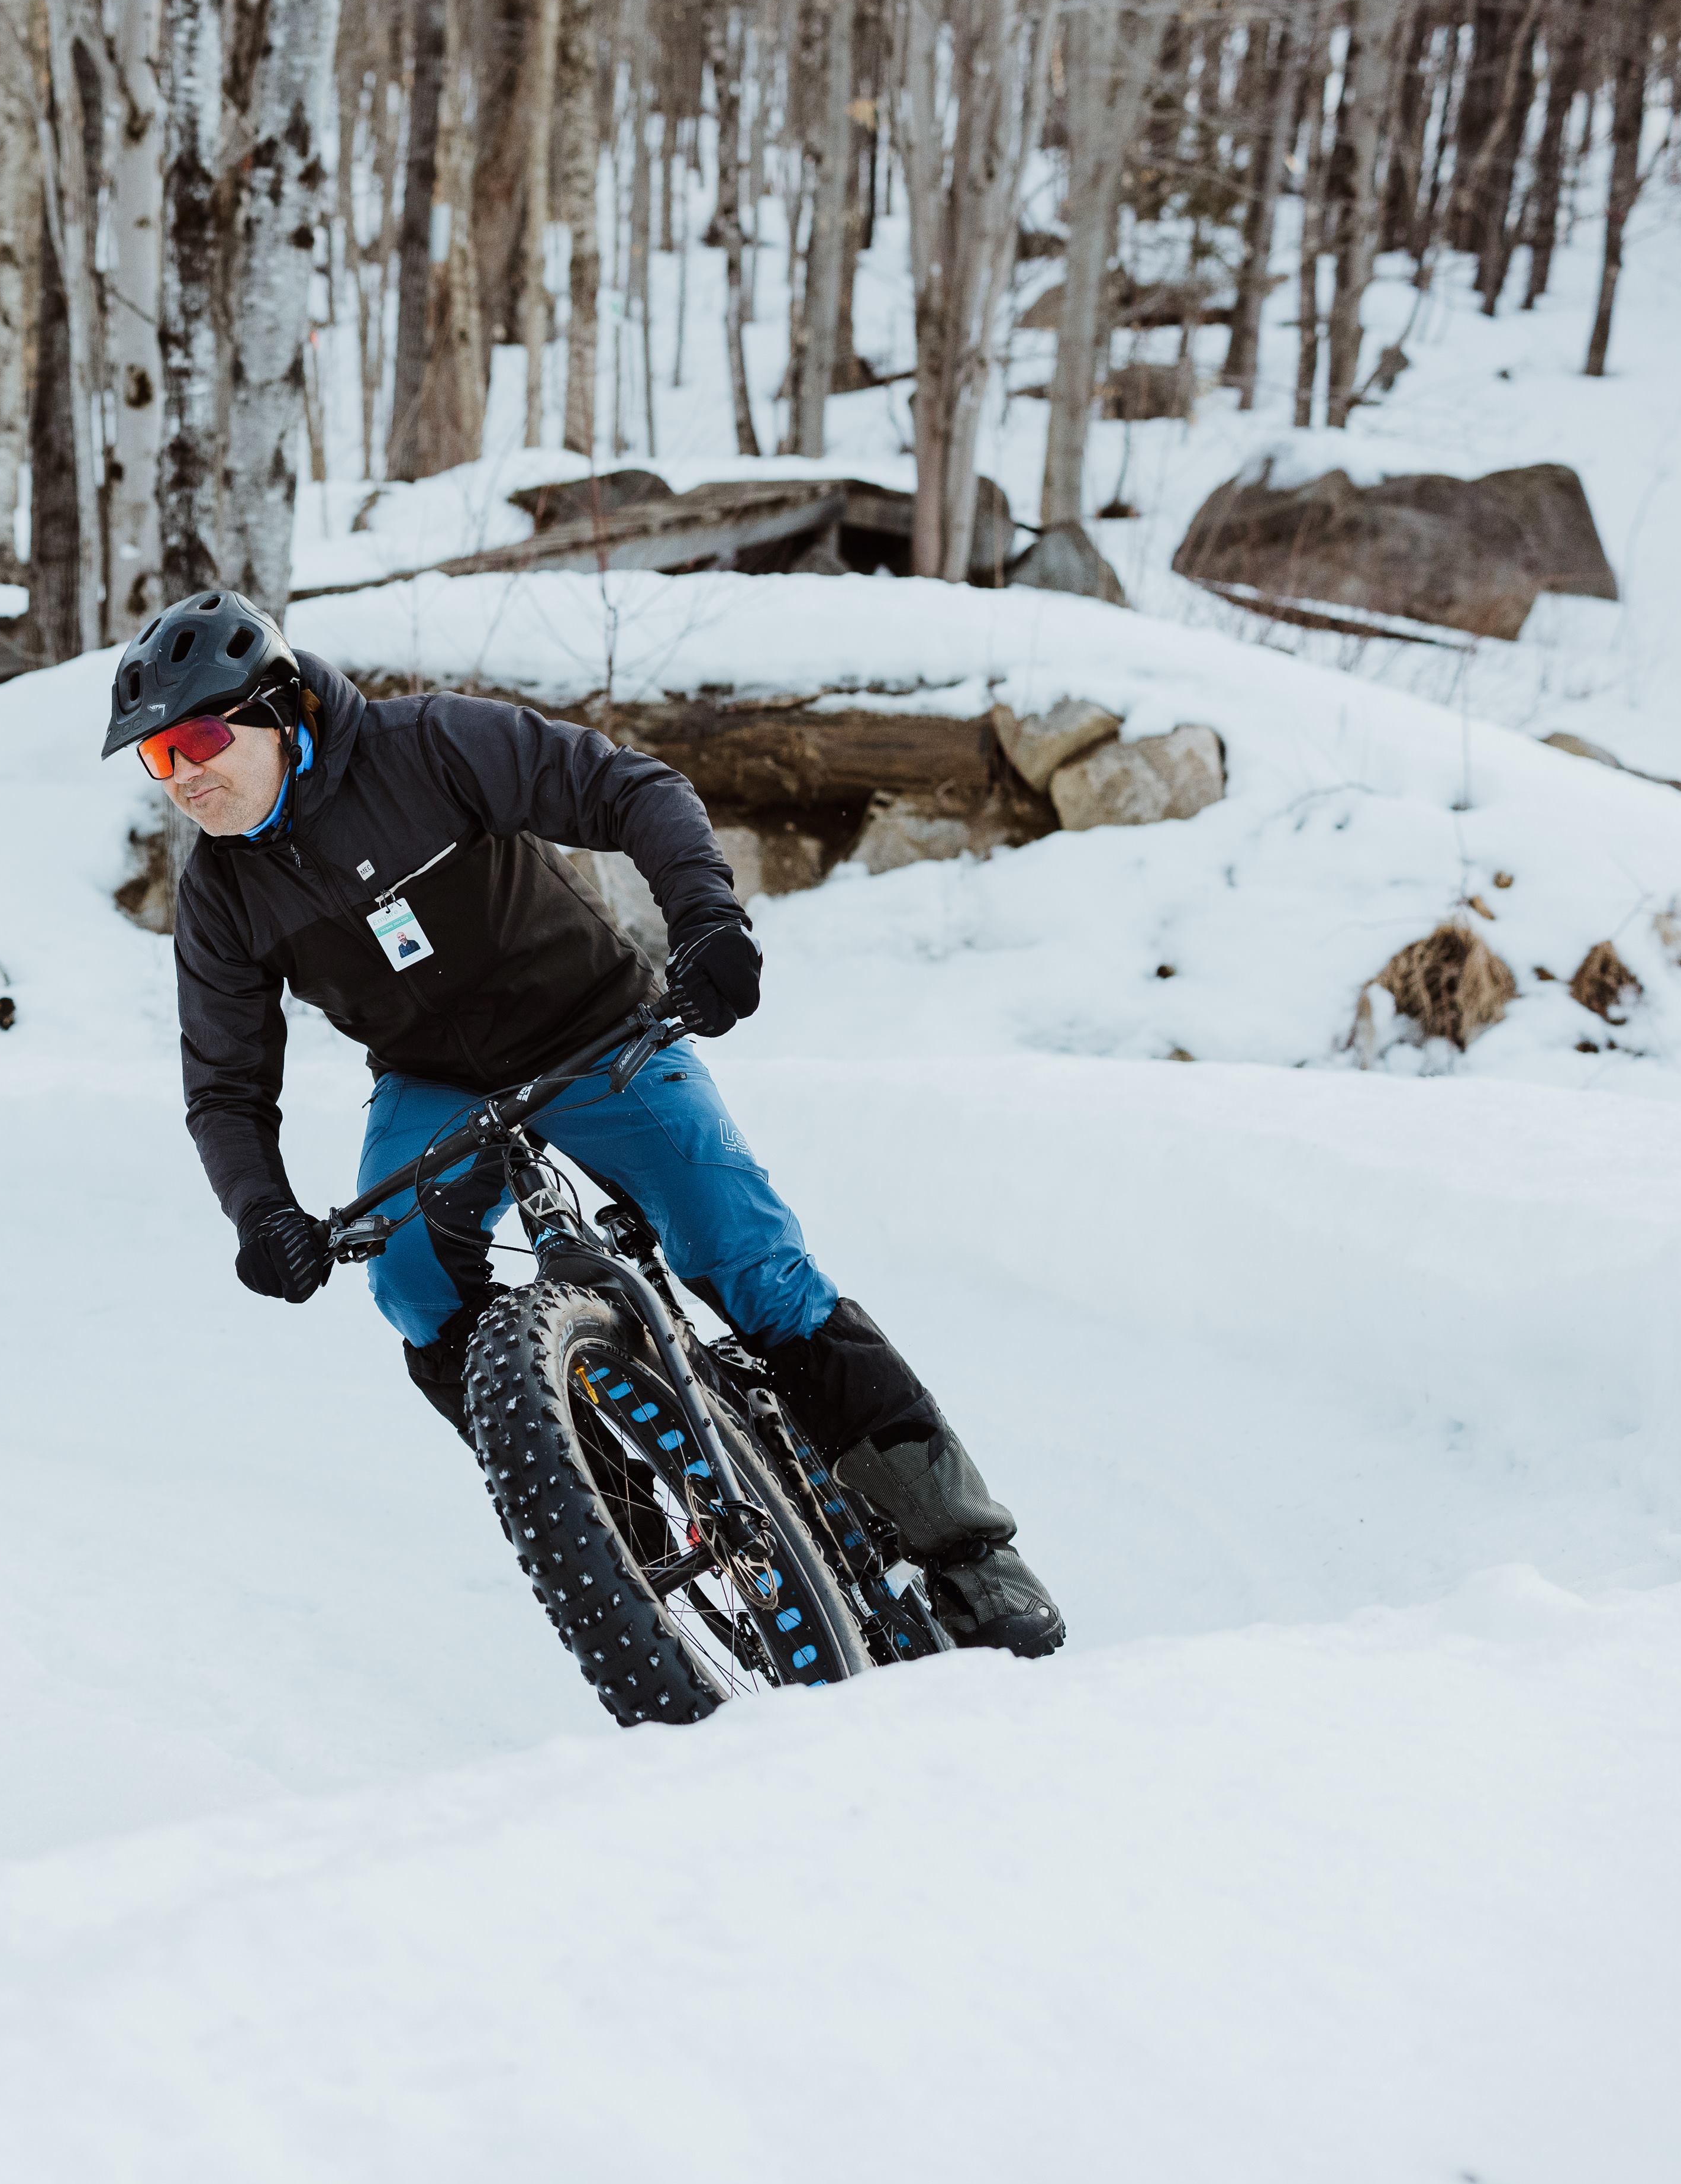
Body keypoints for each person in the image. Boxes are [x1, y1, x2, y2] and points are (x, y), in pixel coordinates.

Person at [107, 590, 1063, 1658]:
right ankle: (607, 1526)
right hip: (434, 1084)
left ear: (279, 709)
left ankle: (970, 1553)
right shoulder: (223, 896)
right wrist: (261, 1212)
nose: (184, 774)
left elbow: (629, 789)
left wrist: (707, 920)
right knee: (412, 1286)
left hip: (599, 1033)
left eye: (198, 738)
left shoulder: (427, 746)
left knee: (748, 1257)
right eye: (158, 759)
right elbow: (226, 1089)